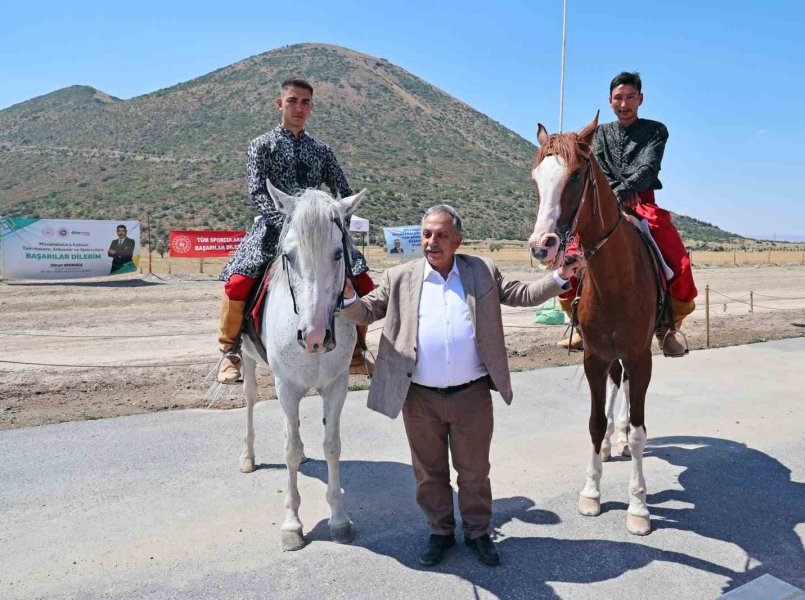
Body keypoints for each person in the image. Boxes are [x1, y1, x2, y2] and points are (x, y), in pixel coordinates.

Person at [341, 205, 581, 567]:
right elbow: (365, 311)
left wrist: (560, 277)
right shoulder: (400, 276)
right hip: (419, 397)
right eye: (426, 234)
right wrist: (346, 298)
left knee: (474, 471)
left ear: (458, 240)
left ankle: (478, 532)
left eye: (440, 235)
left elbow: (522, 294)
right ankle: (439, 532)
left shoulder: (481, 270)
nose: (431, 242)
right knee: (428, 472)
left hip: (471, 395)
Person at [216, 78, 375, 384]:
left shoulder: (322, 150)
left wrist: (335, 216)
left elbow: (343, 188)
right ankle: (229, 351)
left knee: (365, 284)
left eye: (305, 102)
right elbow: (256, 192)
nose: (299, 108)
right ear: (280, 104)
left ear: (311, 107)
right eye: (292, 101)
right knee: (238, 283)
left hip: (320, 231)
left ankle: (357, 351)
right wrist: (287, 222)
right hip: (275, 229)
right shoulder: (261, 145)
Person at [558, 71, 697, 357]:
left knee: (676, 256)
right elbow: (599, 169)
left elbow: (649, 167)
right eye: (618, 98)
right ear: (610, 101)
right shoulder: (602, 133)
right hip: (603, 203)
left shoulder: (656, 130)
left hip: (641, 201)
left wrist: (624, 191)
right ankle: (578, 322)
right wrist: (612, 196)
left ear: (640, 99)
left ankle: (666, 329)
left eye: (630, 97)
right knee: (570, 253)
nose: (624, 104)